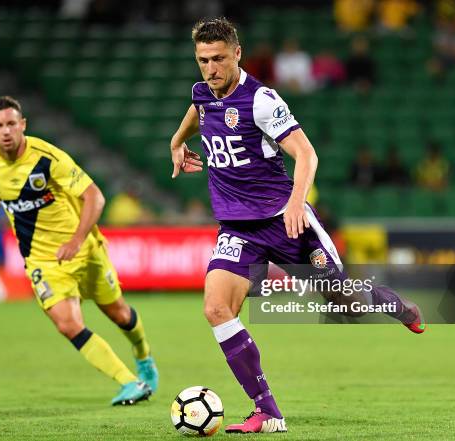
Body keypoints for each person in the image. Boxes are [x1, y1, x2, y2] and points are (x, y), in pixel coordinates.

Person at [169, 18, 425, 434]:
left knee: (343, 302)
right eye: (202, 60)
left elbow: (306, 155)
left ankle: (395, 305)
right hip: (237, 228)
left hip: (286, 222)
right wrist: (177, 141)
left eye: (218, 59)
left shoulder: (262, 100)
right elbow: (199, 111)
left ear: (237, 54)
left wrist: (295, 203)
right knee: (216, 308)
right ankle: (266, 411)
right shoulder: (202, 93)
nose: (210, 69)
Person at [0, 96, 158, 405]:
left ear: (23, 125)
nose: (6, 131)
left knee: (119, 313)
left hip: (84, 250)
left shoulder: (47, 158)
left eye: (11, 123)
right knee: (67, 324)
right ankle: (130, 381)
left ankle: (144, 357)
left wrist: (75, 240)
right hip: (42, 260)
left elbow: (95, 197)